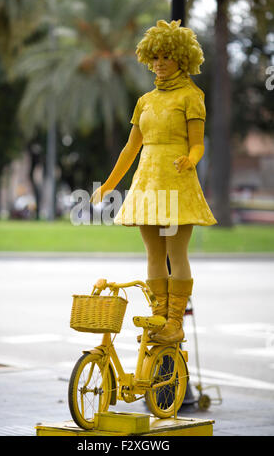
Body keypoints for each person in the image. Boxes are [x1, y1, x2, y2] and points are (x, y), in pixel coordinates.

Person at [91, 19, 217, 343]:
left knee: (177, 254)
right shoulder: (145, 101)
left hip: (176, 184)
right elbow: (131, 148)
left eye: (166, 57)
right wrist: (107, 186)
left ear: (181, 57)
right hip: (147, 183)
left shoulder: (192, 95)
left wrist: (192, 159)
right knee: (152, 254)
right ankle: (160, 316)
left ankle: (175, 323)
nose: (159, 64)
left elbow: (198, 143)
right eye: (155, 58)